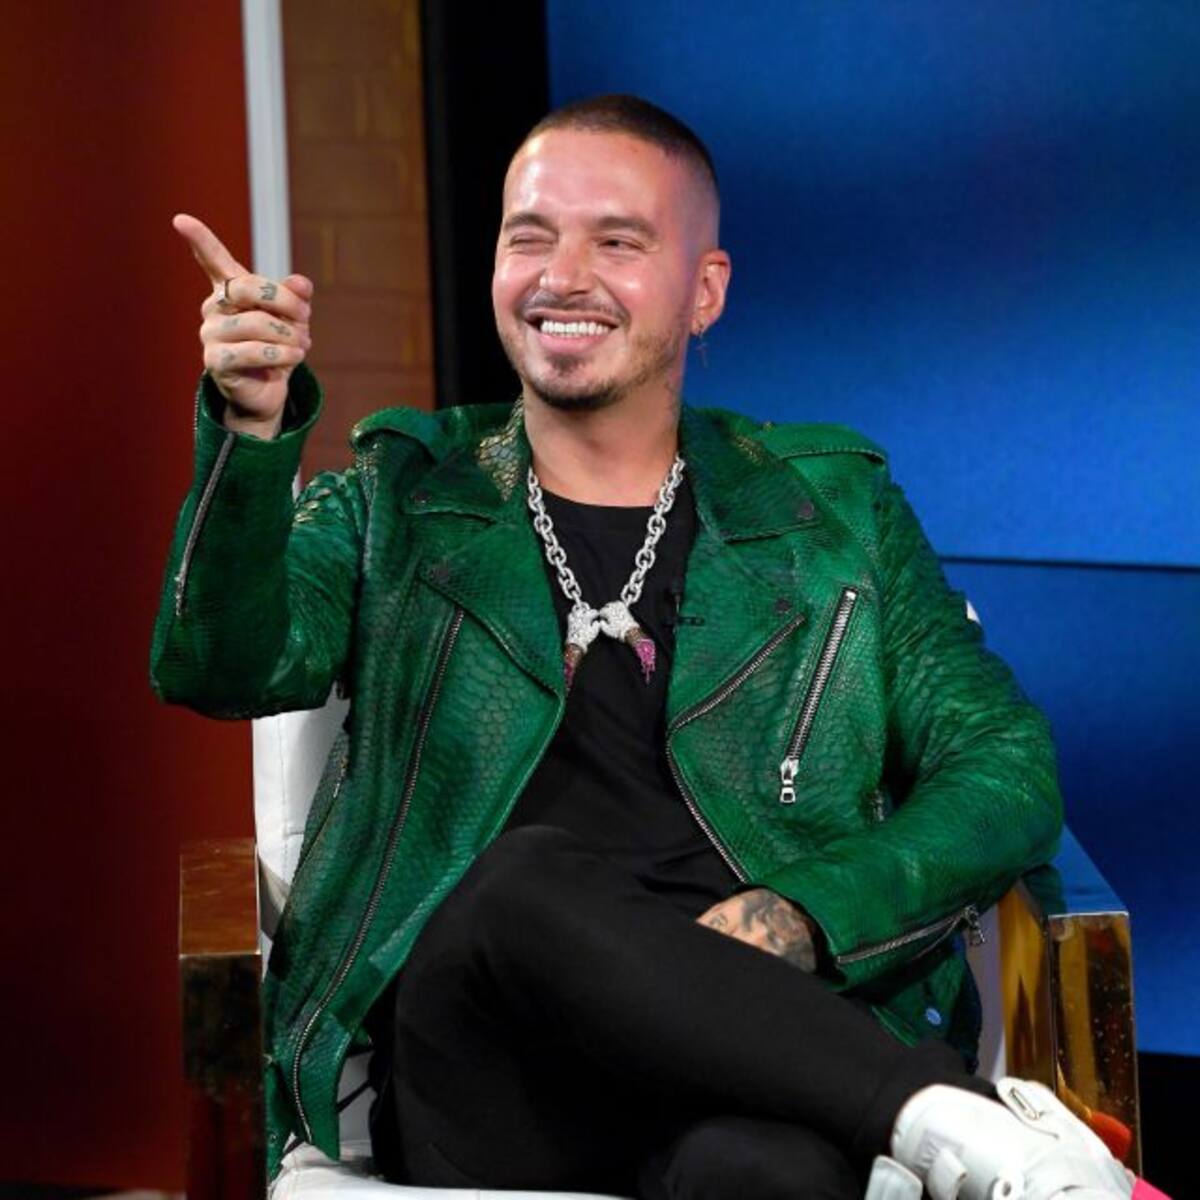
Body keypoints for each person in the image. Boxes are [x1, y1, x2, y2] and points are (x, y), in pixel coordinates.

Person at [153, 95, 1158, 1199]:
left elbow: (1006, 768)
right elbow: (220, 665)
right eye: (529, 237)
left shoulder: (832, 514)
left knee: (766, 1173)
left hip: (759, 1046)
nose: (561, 276)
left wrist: (806, 916)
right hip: (490, 1061)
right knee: (519, 882)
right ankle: (956, 1121)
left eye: (617, 243)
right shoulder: (400, 492)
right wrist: (250, 434)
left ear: (705, 289)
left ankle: (905, 1116)